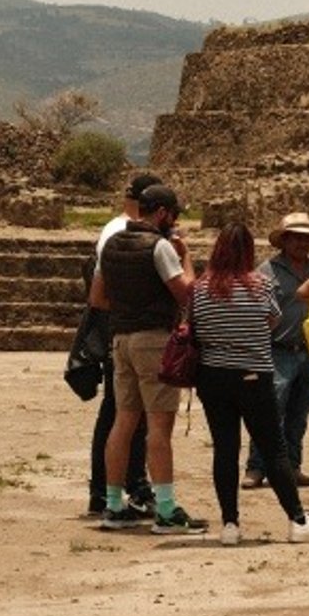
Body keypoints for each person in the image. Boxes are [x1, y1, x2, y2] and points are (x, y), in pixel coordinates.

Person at [191, 222, 309, 546]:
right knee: (274, 449)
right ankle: (297, 520)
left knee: (225, 449)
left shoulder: (201, 288)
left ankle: (230, 524)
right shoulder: (260, 285)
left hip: (213, 375)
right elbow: (272, 321)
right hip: (253, 374)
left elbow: (196, 327)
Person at [90, 184, 206, 534]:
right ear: (162, 213)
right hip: (153, 340)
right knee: (159, 427)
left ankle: (112, 506)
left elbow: (97, 298)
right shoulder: (160, 247)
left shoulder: (110, 245)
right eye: (175, 214)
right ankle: (167, 510)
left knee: (123, 422)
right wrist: (185, 256)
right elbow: (187, 294)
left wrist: (129, 308)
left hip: (120, 339)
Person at [82, 174, 158, 520]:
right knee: (120, 414)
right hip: (128, 334)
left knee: (125, 416)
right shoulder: (120, 234)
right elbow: (101, 293)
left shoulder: (117, 229)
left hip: (122, 331)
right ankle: (111, 490)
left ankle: (126, 488)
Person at [240, 212, 309, 491]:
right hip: (277, 350)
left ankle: (292, 466)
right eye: (297, 238)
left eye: (306, 238)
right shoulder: (267, 270)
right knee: (269, 411)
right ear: (285, 241)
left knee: (299, 414)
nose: (303, 243)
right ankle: (256, 467)